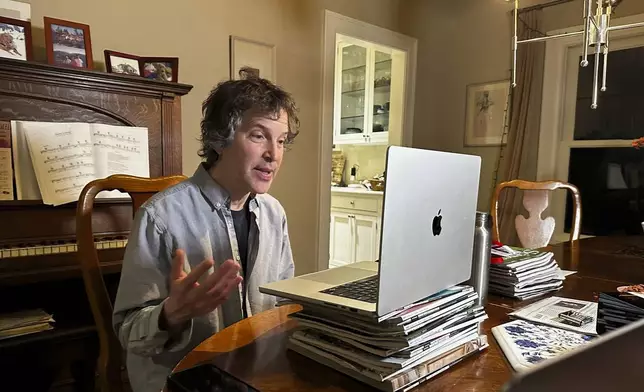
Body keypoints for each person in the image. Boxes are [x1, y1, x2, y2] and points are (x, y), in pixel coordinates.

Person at [112, 69, 300, 392]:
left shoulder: (274, 214)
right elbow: (129, 332)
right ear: (219, 138)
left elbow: (282, 309)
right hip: (183, 382)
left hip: (254, 379)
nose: (274, 154)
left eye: (281, 141)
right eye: (258, 135)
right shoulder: (159, 218)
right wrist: (171, 314)